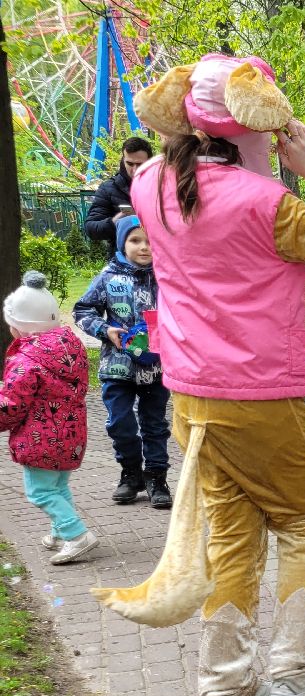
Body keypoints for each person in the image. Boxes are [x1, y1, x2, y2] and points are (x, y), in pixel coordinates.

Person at [93, 53, 305, 696]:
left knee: (231, 537)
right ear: (257, 128)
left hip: (190, 394)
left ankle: (224, 689)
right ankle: (295, 669)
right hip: (261, 398)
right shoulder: (271, 204)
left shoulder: (150, 186)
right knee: (302, 523)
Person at [72, 214, 171, 509]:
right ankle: (131, 473)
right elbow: (83, 311)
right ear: (122, 243)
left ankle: (156, 477)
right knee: (120, 422)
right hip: (117, 367)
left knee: (154, 424)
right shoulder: (108, 277)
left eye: (151, 241)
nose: (144, 247)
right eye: (135, 240)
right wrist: (105, 330)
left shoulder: (167, 276)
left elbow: (185, 312)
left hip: (156, 367)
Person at [1, 272, 97, 564]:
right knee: (57, 486)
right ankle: (60, 531)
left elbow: (12, 404)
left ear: (21, 328)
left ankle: (76, 535)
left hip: (40, 438)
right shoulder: (70, 347)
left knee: (40, 491)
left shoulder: (26, 361)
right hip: (70, 434)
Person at [83, 136, 154, 254]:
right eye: (130, 164)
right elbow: (91, 229)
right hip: (122, 262)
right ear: (123, 160)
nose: (135, 170)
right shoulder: (108, 188)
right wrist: (115, 221)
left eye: (140, 164)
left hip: (157, 260)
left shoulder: (162, 187)